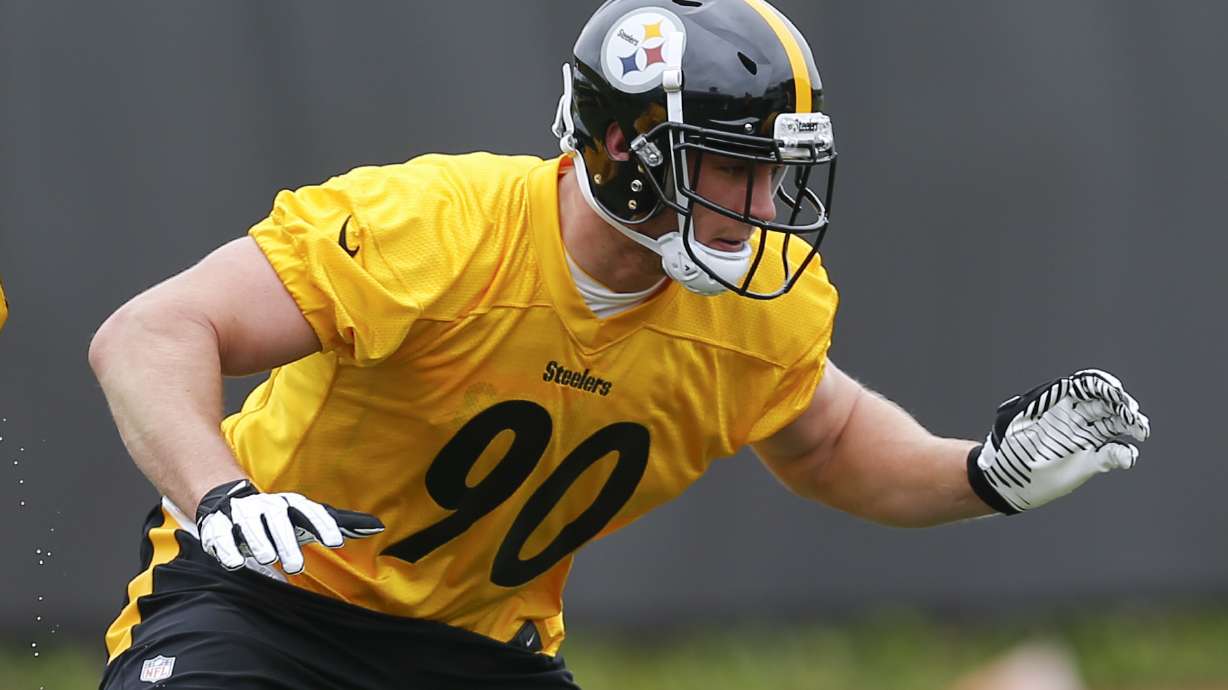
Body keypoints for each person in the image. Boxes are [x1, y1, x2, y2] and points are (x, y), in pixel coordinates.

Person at [89, 1, 1150, 688]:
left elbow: (823, 439)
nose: (766, 201)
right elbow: (150, 332)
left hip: (475, 653)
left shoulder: (750, 308)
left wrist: (979, 474)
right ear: (618, 149)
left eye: (778, 169)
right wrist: (222, 494)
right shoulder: (441, 228)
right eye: (734, 164)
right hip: (269, 608)